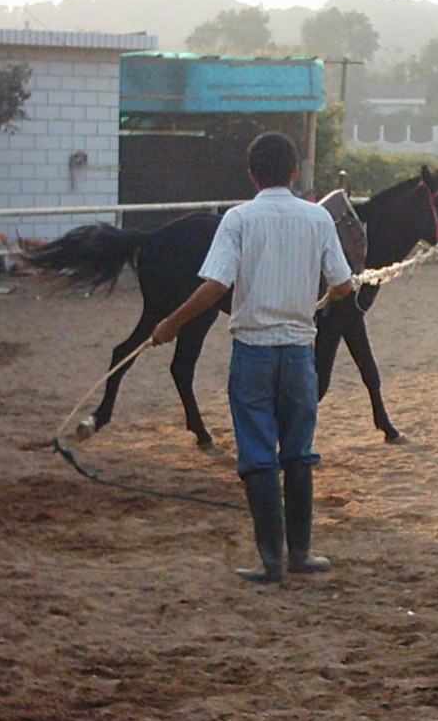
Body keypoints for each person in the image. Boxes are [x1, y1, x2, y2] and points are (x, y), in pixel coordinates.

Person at [151, 131, 354, 584]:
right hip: (300, 353)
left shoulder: (238, 219)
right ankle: (301, 553)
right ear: (295, 171)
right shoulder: (318, 220)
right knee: (298, 453)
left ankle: (270, 561)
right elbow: (341, 284)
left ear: (251, 174)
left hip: (254, 352)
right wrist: (332, 290)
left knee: (258, 452)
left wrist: (171, 324)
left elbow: (215, 286)